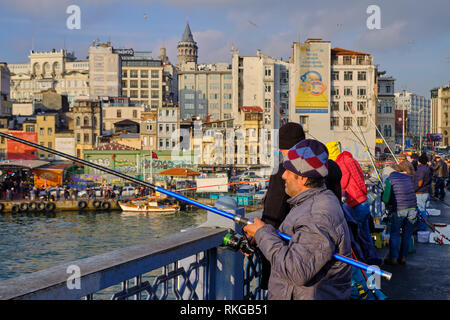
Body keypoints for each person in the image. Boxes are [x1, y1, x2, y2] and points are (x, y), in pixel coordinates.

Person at [243, 139, 352, 300]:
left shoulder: (316, 215)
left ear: (302, 178)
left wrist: (263, 234)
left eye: (288, 170)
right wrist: (264, 235)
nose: (283, 175)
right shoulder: (314, 201)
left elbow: (297, 270)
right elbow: (301, 244)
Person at [382, 162, 417, 265]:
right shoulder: (407, 178)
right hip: (413, 208)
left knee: (395, 234)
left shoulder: (390, 179)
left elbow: (385, 198)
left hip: (400, 209)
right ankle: (403, 257)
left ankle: (393, 258)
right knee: (407, 235)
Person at [414, 152, 432, 231]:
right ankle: (422, 226)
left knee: (421, 211)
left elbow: (420, 182)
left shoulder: (421, 169)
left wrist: (414, 189)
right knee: (423, 209)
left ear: (420, 161)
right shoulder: (427, 168)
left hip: (420, 193)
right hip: (425, 192)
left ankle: (422, 227)